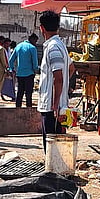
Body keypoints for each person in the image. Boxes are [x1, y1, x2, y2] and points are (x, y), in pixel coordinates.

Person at [38, 11, 71, 144]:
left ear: (42, 28)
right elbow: (71, 69)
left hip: (52, 107)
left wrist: (55, 103)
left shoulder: (53, 47)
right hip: (58, 105)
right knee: (57, 145)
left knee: (52, 146)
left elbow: (58, 78)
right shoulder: (60, 45)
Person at [9, 35, 39, 108]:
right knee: (28, 94)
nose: (36, 43)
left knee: (20, 92)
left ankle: (17, 108)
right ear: (32, 39)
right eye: (35, 41)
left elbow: (11, 60)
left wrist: (11, 69)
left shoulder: (18, 46)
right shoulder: (32, 48)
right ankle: (29, 109)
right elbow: (35, 62)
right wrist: (35, 70)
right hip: (29, 74)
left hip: (19, 74)